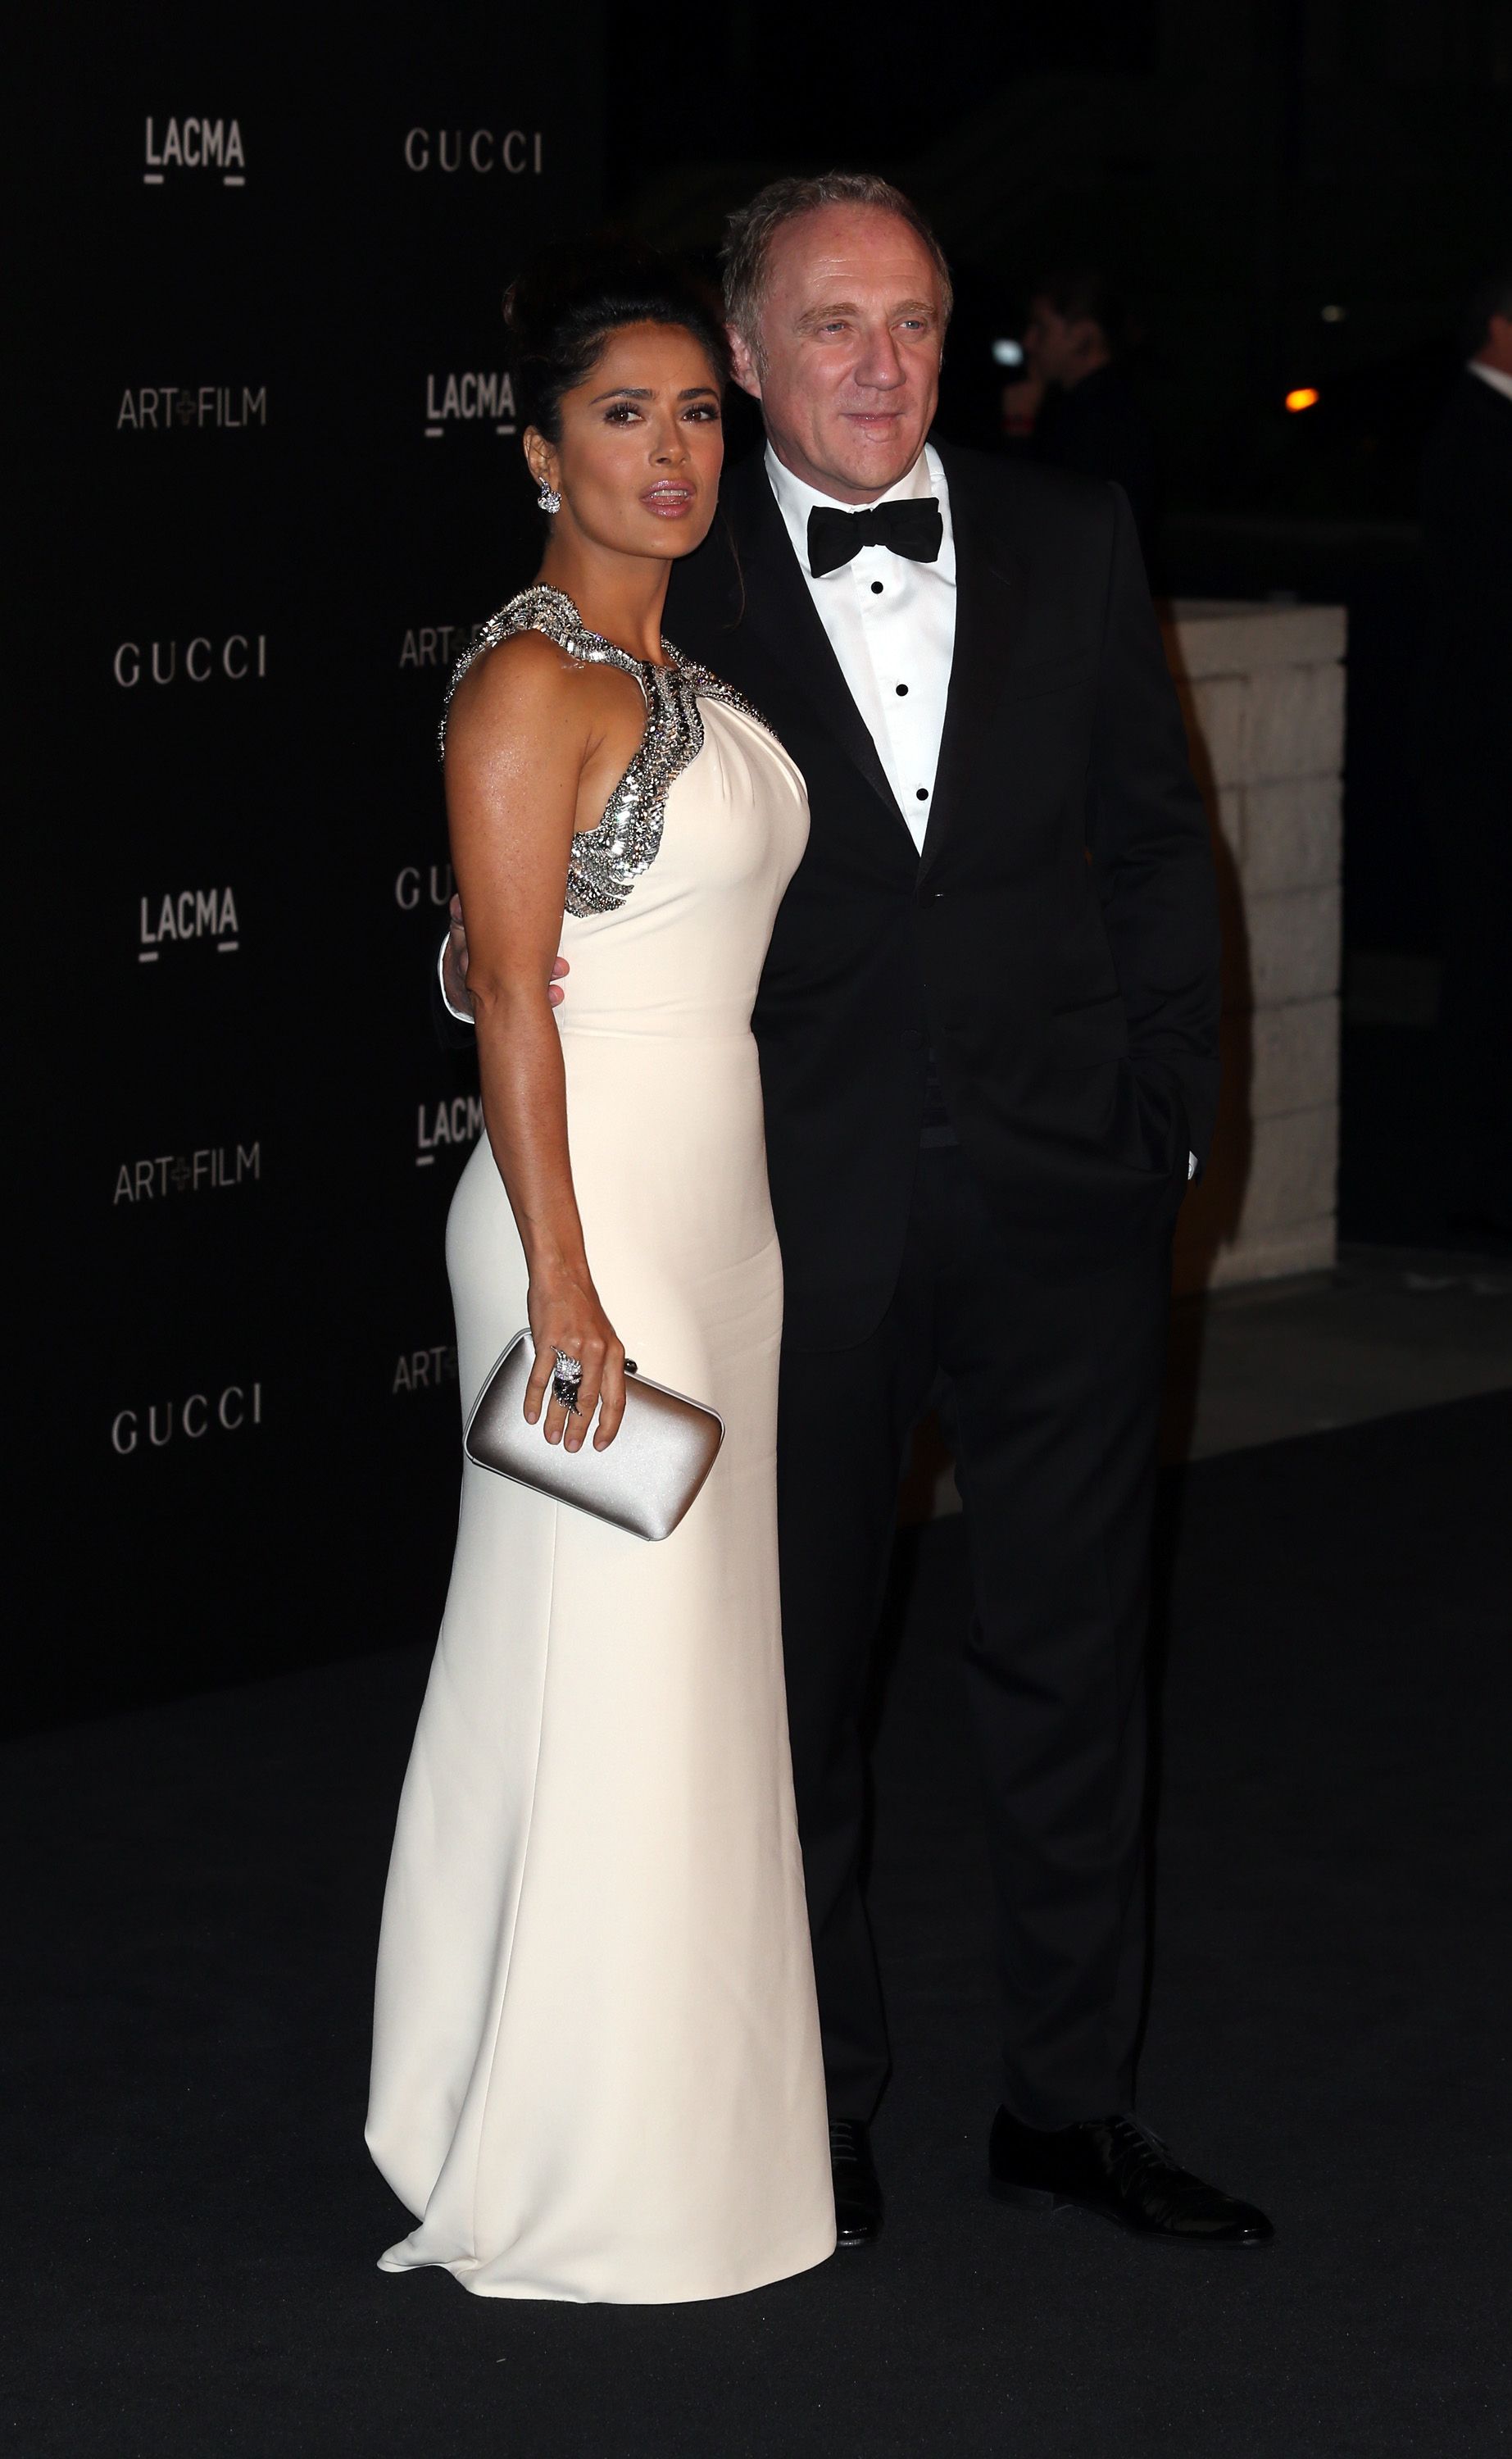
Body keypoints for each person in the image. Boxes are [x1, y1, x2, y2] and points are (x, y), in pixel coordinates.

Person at [445, 174, 1272, 2252]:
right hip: (783, 1218)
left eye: (910, 319)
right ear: (743, 353)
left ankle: (1069, 2105)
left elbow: (1153, 845)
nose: (881, 362)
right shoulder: (672, 559)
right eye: (830, 324)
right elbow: (547, 872)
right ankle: (811, 2110)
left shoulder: (1070, 531)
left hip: (1064, 1198)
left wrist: (1163, 1127)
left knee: (1074, 1664)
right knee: (789, 1680)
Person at [367, 243, 836, 2304]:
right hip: (588, 1226)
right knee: (601, 1670)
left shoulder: (687, 675)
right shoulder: (526, 684)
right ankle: (557, 2160)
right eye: (623, 415)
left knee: (689, 1683)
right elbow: (511, 1007)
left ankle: (688, 2145)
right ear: (536, 449)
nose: (673, 451)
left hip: (712, 1217)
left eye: (697, 413)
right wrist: (567, 1288)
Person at [1419, 264, 1512, 1244]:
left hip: (1480, 746)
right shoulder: (1475, 436)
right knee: (1485, 965)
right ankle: (1470, 1181)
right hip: (1485, 754)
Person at [1001, 266, 1159, 557]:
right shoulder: (1100, 402)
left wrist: (1020, 429)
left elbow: (1039, 516)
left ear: (1082, 336)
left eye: (1042, 329)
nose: (1029, 342)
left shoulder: (1101, 416)